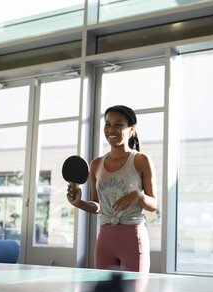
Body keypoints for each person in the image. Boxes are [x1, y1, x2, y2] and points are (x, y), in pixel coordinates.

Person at [67, 105, 157, 273]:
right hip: (105, 240)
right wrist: (78, 203)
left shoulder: (141, 160)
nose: (111, 129)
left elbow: (153, 205)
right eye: (107, 124)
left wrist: (138, 195)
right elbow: (98, 206)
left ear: (131, 129)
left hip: (133, 238)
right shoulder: (96, 164)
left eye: (118, 124)